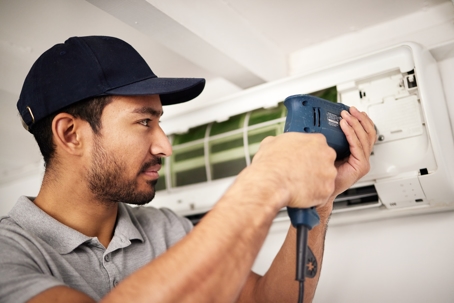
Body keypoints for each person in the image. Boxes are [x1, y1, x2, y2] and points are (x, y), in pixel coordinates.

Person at [0, 36, 376, 303]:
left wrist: (320, 201)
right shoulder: (9, 252)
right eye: (144, 122)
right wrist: (267, 180)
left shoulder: (166, 229)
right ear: (71, 134)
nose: (165, 145)